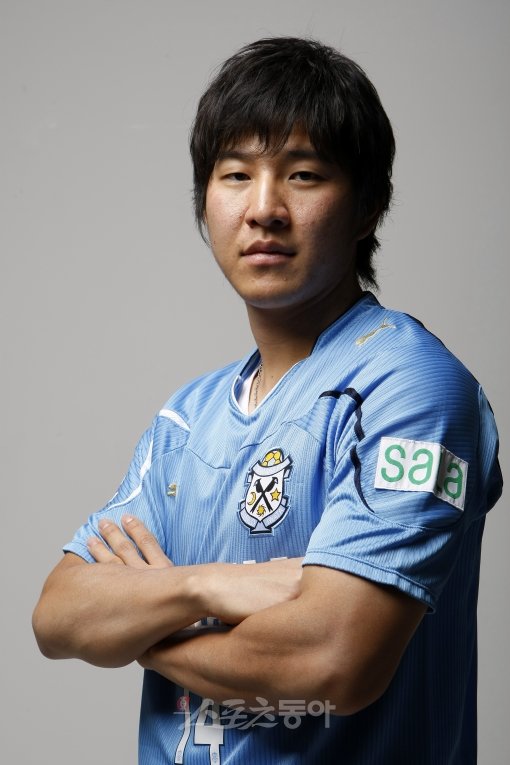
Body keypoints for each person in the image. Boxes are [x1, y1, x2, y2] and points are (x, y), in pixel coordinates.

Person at [33, 37, 502, 764]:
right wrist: (211, 587)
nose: (263, 209)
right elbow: (59, 614)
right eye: (234, 175)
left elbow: (331, 663)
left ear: (369, 204)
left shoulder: (409, 388)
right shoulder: (188, 418)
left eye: (304, 175)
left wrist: (144, 632)